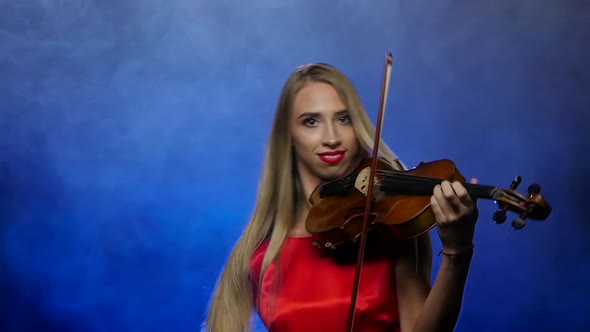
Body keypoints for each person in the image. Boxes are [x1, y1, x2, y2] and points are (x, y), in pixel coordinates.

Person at [204, 62, 479, 332]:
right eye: (311, 121)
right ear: (289, 136)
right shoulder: (259, 255)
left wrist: (458, 252)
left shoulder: (390, 226)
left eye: (343, 118)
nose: (332, 137)